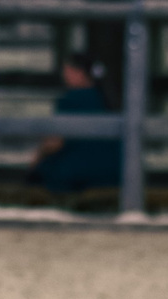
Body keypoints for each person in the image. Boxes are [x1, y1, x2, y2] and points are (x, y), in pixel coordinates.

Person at [30, 54, 121, 198]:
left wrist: (37, 157)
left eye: (68, 71)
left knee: (43, 169)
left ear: (80, 73)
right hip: (112, 171)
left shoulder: (69, 100)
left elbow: (55, 142)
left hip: (77, 172)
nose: (64, 75)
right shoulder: (106, 98)